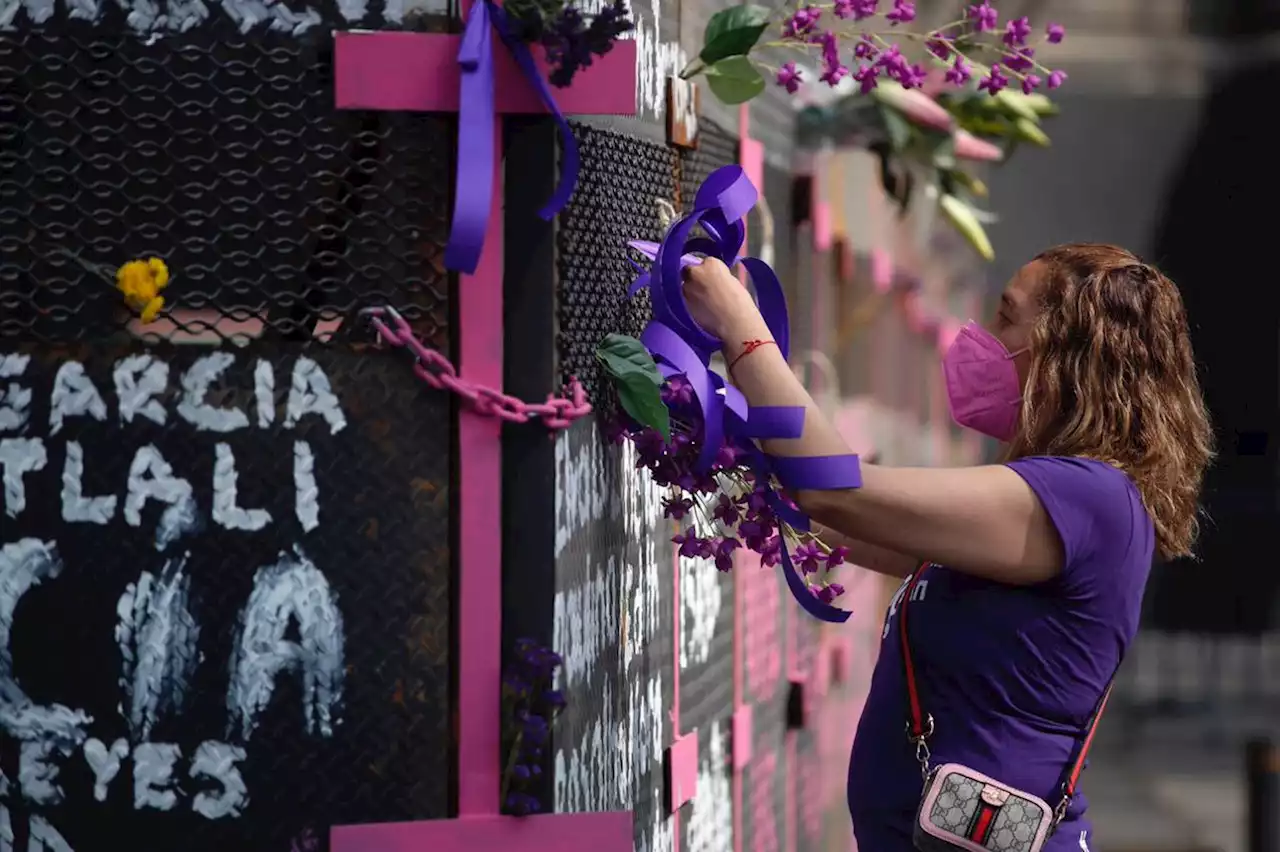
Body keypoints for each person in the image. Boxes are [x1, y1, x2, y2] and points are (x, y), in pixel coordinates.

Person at [683, 243, 1214, 851]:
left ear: (1065, 354)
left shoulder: (1084, 496)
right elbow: (835, 519)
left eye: (1006, 318)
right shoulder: (1073, 499)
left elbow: (840, 495)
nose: (982, 338)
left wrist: (739, 328)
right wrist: (718, 450)